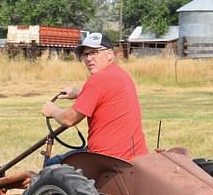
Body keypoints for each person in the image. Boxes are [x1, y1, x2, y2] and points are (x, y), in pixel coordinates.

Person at [41, 32, 148, 163]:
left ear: (109, 54)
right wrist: (80, 94)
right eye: (86, 54)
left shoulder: (97, 80)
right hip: (134, 155)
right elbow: (107, 99)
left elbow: (69, 119)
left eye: (94, 52)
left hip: (105, 158)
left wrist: (52, 110)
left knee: (51, 165)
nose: (89, 58)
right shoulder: (121, 75)